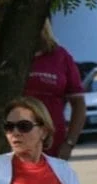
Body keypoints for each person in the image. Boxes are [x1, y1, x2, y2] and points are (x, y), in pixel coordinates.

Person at [25, 18, 86, 159]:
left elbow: (79, 104)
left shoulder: (61, 57)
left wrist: (69, 143)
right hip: (15, 144)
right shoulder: (10, 55)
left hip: (53, 146)